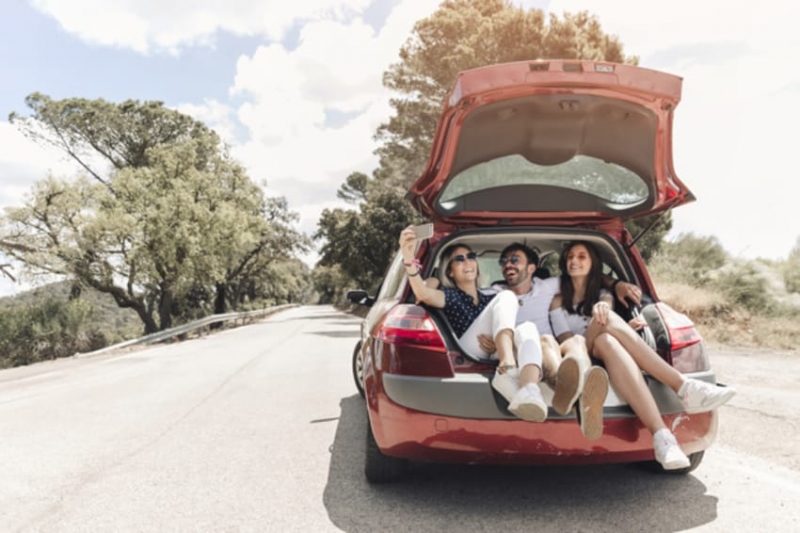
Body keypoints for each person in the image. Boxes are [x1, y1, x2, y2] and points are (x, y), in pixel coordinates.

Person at [550, 241, 737, 469]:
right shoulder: (557, 299)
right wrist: (610, 320)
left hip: (601, 346)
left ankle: (662, 438)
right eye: (570, 256)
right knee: (606, 321)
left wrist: (619, 318)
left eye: (581, 257)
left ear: (593, 264)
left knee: (607, 339)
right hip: (576, 353)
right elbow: (566, 341)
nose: (574, 261)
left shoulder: (603, 294)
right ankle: (683, 386)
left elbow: (605, 305)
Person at [478, 242, 641, 440]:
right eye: (504, 261)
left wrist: (617, 285)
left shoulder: (545, 287)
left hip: (551, 348)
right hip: (521, 350)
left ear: (531, 268)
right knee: (544, 340)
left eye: (514, 260)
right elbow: (467, 298)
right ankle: (583, 401)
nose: (508, 265)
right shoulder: (495, 293)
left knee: (567, 341)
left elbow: (587, 276)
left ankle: (578, 391)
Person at [398, 227, 548, 422]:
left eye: (470, 257)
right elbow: (423, 294)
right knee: (507, 296)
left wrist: (499, 344)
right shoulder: (451, 295)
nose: (467, 262)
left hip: (490, 348)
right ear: (450, 271)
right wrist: (409, 260)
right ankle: (507, 367)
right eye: (459, 259)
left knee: (528, 327)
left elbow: (505, 323)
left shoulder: (488, 296)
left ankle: (530, 390)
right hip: (468, 349)